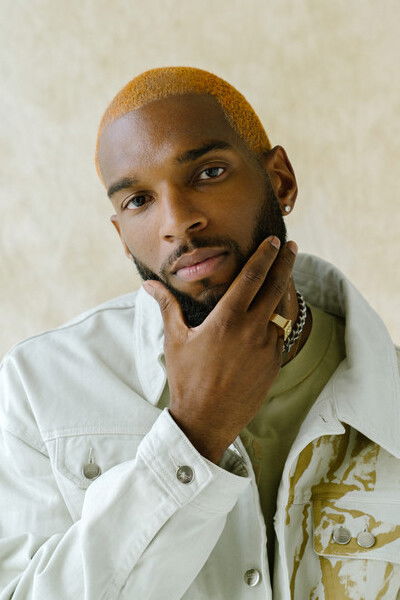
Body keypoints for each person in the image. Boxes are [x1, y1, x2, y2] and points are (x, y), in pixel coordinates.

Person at [0, 66, 399, 600]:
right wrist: (195, 434)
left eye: (208, 173)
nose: (177, 221)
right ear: (122, 237)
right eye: (138, 200)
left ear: (280, 180)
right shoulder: (39, 386)